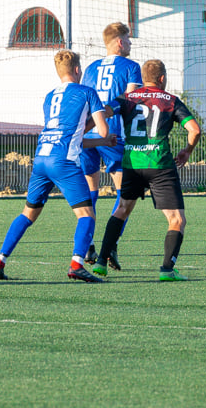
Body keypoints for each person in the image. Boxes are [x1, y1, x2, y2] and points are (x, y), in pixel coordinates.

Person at [0, 49, 114, 283]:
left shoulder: (49, 96)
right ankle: (77, 264)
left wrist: (102, 141)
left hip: (41, 159)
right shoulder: (88, 92)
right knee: (87, 214)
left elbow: (70, 136)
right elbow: (103, 128)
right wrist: (104, 118)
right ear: (78, 70)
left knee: (28, 213)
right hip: (62, 162)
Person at [91, 59, 202, 281]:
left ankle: (101, 262)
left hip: (132, 163)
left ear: (143, 79)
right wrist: (187, 151)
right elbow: (195, 130)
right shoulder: (170, 101)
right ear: (162, 79)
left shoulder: (127, 98)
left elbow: (104, 111)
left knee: (122, 209)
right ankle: (167, 270)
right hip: (159, 165)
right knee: (176, 220)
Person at [80, 22, 142, 270]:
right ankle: (111, 244)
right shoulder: (131, 67)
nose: (130, 44)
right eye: (127, 39)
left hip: (88, 135)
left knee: (89, 191)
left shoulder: (91, 68)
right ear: (119, 42)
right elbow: (131, 100)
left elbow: (84, 98)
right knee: (125, 193)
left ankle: (87, 245)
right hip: (115, 135)